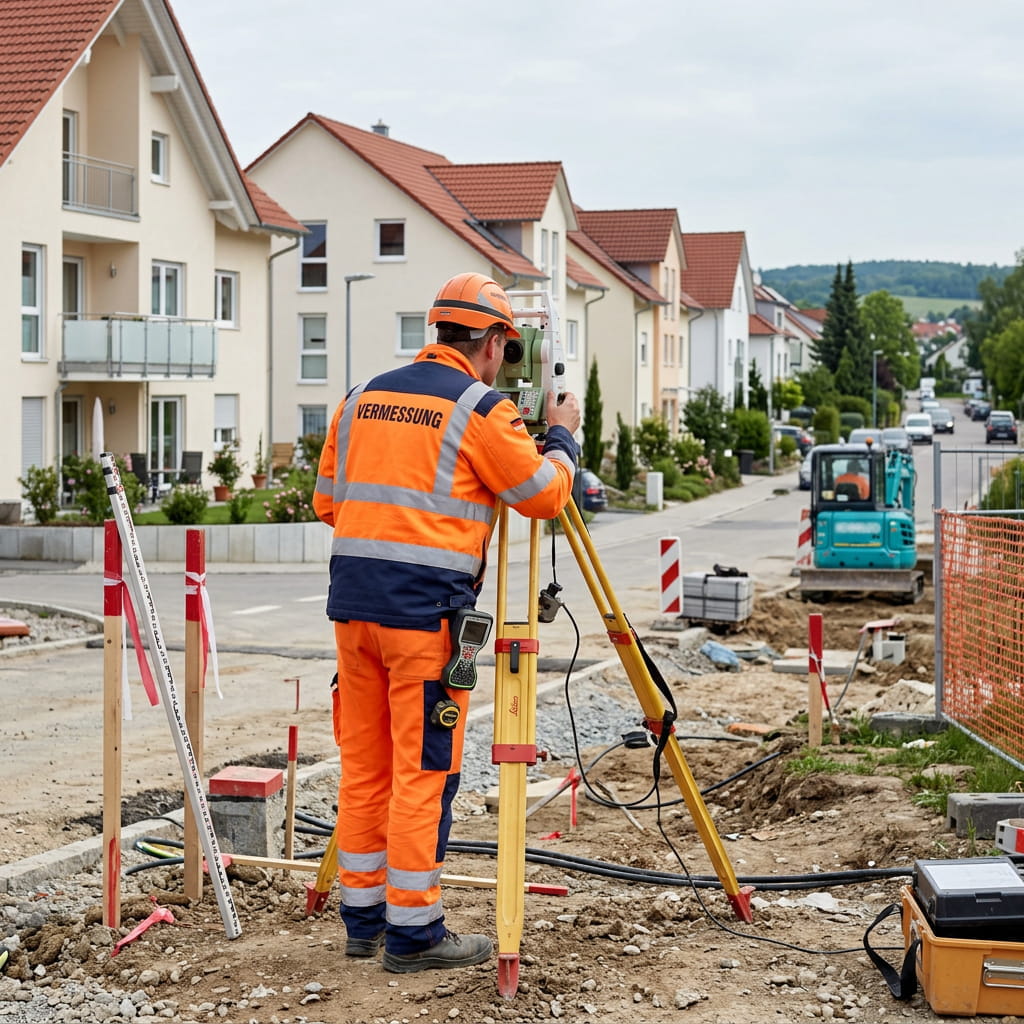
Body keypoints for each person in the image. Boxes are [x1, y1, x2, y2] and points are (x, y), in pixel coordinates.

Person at [313, 272, 581, 974]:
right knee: (423, 773)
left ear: (437, 330)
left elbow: (327, 503)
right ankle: (414, 934)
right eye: (505, 348)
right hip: (425, 619)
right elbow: (543, 496)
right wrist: (561, 437)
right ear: (493, 342)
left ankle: (363, 920)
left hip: (353, 612)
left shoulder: (359, 398)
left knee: (365, 768)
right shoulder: (481, 410)